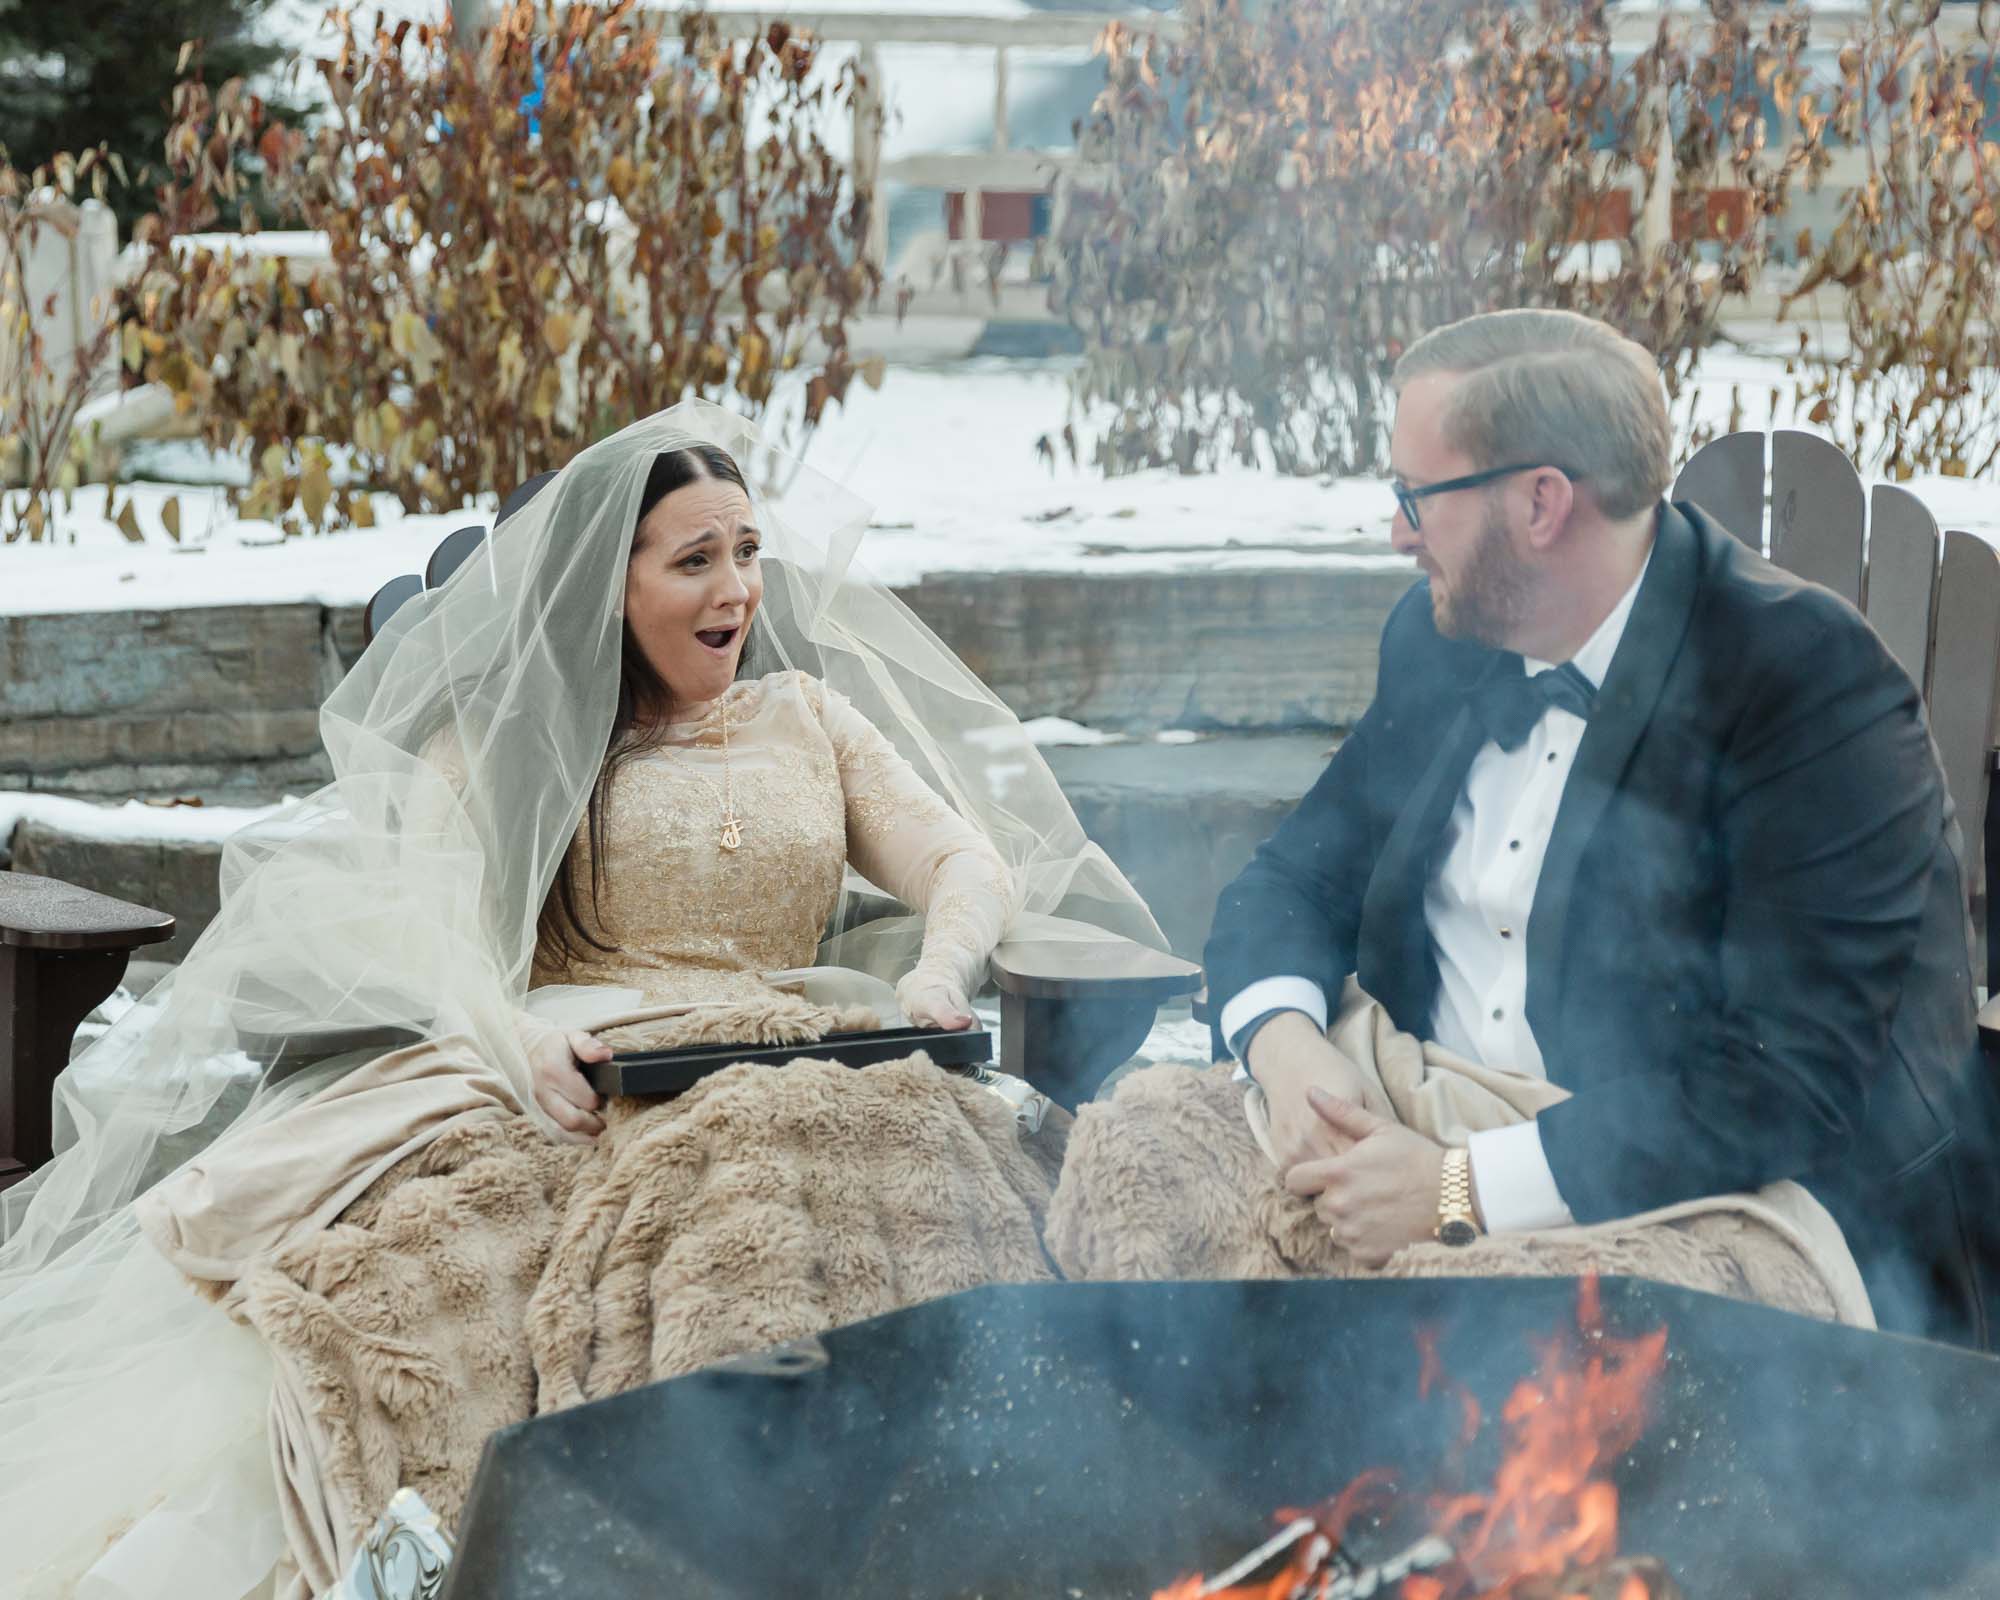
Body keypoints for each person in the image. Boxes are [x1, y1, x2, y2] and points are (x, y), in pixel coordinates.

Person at [0, 403, 1166, 1599]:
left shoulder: (810, 714)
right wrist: (515, 1032)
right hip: (591, 1065)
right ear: (615, 585)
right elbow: (417, 909)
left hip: (805, 1049)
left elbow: (964, 859)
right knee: (450, 1297)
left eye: (749, 553)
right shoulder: (520, 731)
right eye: (695, 560)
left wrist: (935, 971)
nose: (737, 590)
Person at [1205, 307, 1999, 1348]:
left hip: (1721, 1222)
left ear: (1540, 503)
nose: (1396, 532)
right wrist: (1287, 1051)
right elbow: (1290, 882)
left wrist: (1454, 1189)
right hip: (1412, 1128)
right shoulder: (1444, 638)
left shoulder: (1805, 686)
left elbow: (1782, 1082)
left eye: (1414, 497)